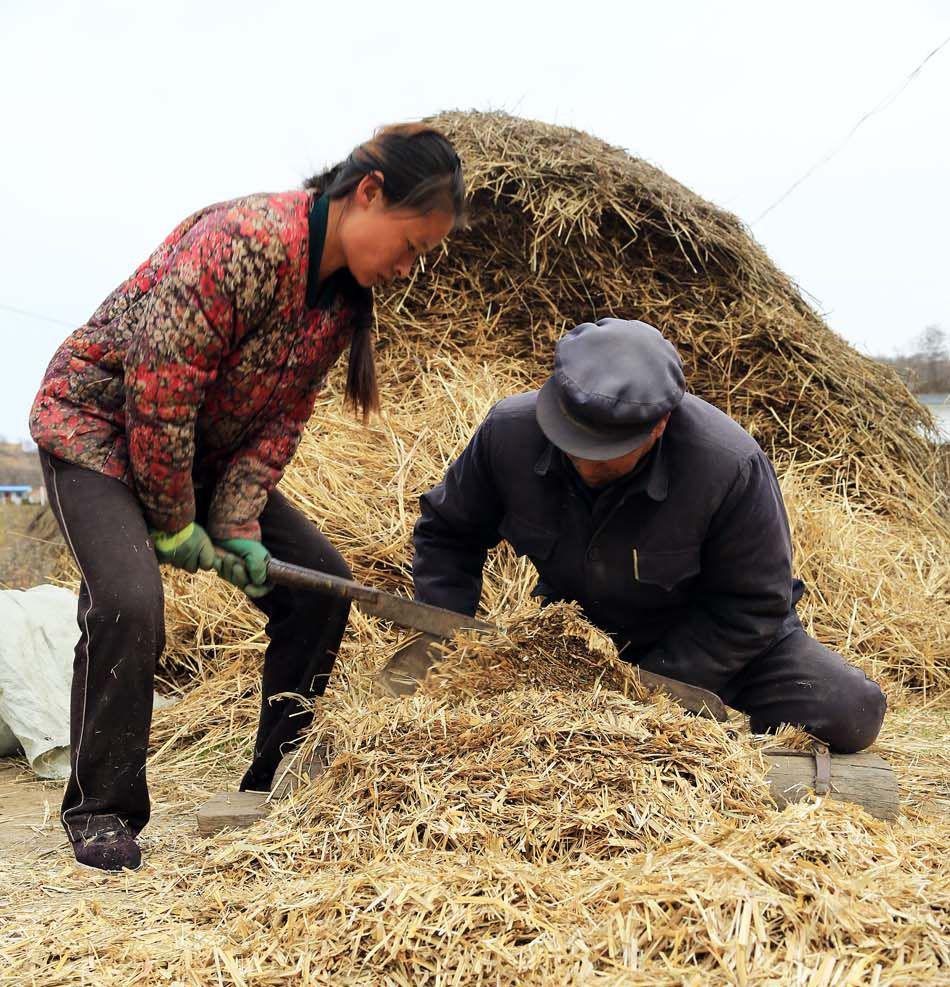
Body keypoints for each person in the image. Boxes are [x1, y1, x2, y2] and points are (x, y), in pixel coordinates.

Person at [30, 123, 465, 872]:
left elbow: (279, 423)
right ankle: (101, 807)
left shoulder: (337, 304)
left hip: (197, 454)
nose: (408, 267)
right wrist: (173, 525)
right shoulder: (246, 240)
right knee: (130, 603)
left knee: (318, 588)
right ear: (369, 194)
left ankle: (272, 778)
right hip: (98, 429)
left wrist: (236, 524)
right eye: (412, 244)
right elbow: (162, 388)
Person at [410, 318, 886, 752]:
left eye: (607, 451)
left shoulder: (728, 465)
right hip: (582, 642)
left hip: (712, 647)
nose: (585, 463)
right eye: (574, 442)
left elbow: (752, 605)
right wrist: (450, 644)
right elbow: (448, 532)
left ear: (659, 425)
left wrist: (648, 694)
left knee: (851, 711)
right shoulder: (507, 432)